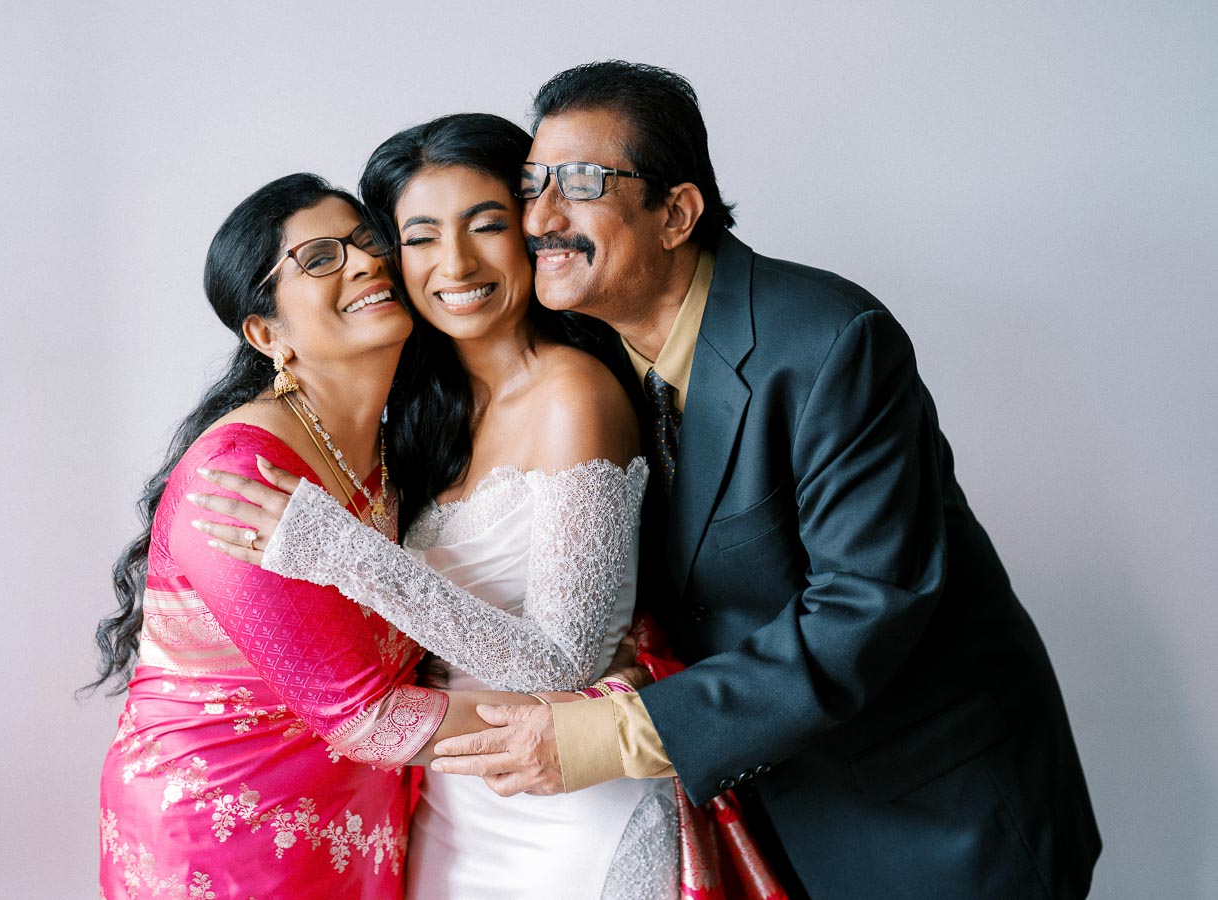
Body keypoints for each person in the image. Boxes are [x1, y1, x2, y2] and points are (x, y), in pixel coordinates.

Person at [417, 62, 1102, 899]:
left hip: (934, 812)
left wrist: (612, 730)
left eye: (582, 182)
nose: (542, 218)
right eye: (532, 186)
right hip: (764, 806)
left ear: (676, 213)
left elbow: (864, 606)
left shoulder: (829, 342)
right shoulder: (593, 364)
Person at [191, 114, 683, 900]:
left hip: (570, 816)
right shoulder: (414, 419)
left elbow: (567, 667)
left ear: (528, 231)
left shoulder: (573, 395)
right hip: (453, 812)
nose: (455, 262)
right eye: (418, 237)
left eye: (486, 225)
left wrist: (342, 553)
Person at [90, 173, 552, 899]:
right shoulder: (238, 474)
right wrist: (601, 720)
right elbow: (370, 716)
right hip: (224, 828)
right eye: (319, 258)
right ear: (267, 333)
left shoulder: (389, 451)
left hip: (357, 816)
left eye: (368, 243)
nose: (366, 262)